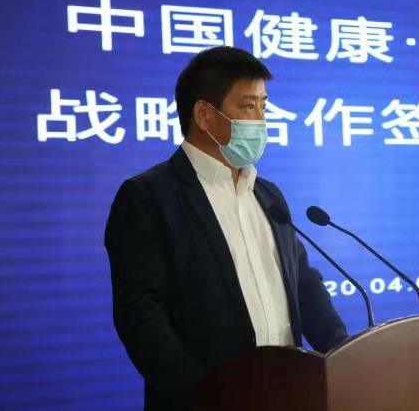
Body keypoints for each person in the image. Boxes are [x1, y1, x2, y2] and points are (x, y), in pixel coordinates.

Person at [104, 46, 347, 410]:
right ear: (204, 115)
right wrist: (205, 393)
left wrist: (343, 355)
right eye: (248, 107)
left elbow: (304, 285)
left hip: (289, 395)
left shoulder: (267, 194)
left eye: (263, 106)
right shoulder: (148, 197)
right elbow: (140, 316)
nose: (260, 120)